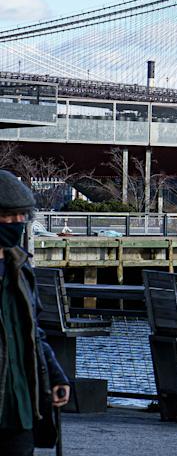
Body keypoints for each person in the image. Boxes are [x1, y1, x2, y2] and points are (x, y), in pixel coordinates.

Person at [0, 170, 70, 456]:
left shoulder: (21, 267)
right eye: (9, 215)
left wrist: (54, 376)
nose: (18, 222)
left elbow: (33, 331)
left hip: (21, 405)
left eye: (22, 215)